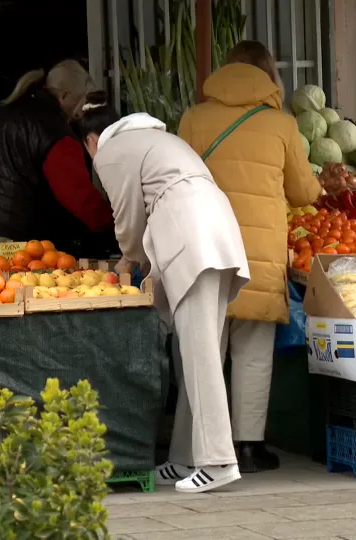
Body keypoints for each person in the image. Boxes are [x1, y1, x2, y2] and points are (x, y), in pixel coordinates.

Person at [76, 92, 250, 493]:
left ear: (90, 140)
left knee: (200, 354)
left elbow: (127, 216)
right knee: (192, 351)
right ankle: (185, 457)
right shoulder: (157, 137)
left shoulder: (109, 151)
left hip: (190, 236)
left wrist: (127, 261)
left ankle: (219, 461)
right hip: (214, 229)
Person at [178, 40, 322, 472]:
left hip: (202, 248)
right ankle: (246, 447)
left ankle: (192, 447)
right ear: (267, 75)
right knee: (253, 353)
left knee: (202, 350)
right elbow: (302, 192)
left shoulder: (193, 118)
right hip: (255, 254)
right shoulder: (280, 123)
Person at [0, 60, 115, 256]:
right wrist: (114, 225)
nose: (80, 113)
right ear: (64, 96)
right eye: (80, 102)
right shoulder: (53, 130)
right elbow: (80, 198)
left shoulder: (8, 109)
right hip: (15, 242)